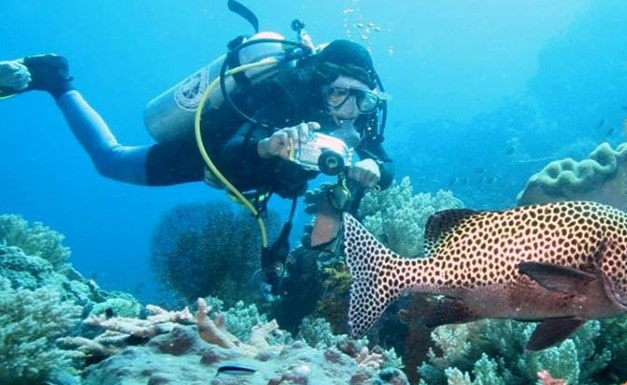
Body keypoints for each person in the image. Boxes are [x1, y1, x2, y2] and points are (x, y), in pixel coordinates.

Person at [0, 38, 394, 300]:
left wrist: (373, 166)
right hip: (210, 150)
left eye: (363, 100)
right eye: (340, 93)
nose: (349, 108)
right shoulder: (282, 96)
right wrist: (269, 146)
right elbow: (228, 155)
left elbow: (386, 164)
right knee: (111, 161)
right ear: (320, 83)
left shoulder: (360, 119)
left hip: (261, 181)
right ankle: (57, 80)